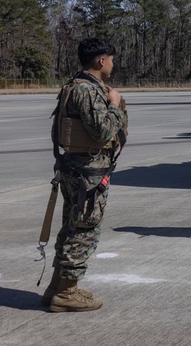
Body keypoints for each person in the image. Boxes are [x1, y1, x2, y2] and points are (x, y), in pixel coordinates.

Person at [44, 38, 128, 312]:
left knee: (72, 225)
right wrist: (114, 105)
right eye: (112, 60)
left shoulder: (74, 85)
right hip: (87, 172)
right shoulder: (88, 91)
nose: (113, 65)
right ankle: (67, 292)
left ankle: (57, 286)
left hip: (74, 167)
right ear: (101, 61)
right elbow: (102, 131)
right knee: (84, 229)